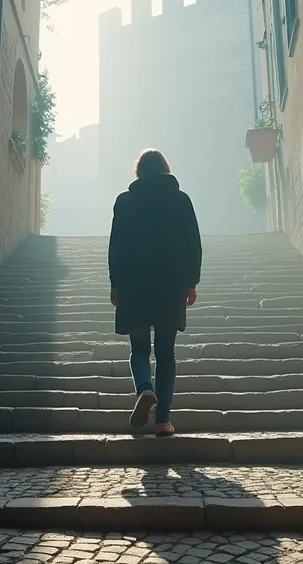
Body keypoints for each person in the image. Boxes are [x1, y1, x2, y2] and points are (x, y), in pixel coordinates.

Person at [108, 149, 202, 436]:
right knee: (165, 353)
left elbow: (116, 247)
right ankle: (163, 420)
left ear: (139, 172)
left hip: (134, 284)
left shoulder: (124, 202)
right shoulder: (180, 199)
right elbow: (193, 243)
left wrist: (116, 284)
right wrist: (191, 282)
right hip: (170, 284)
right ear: (165, 169)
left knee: (138, 349)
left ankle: (144, 389)